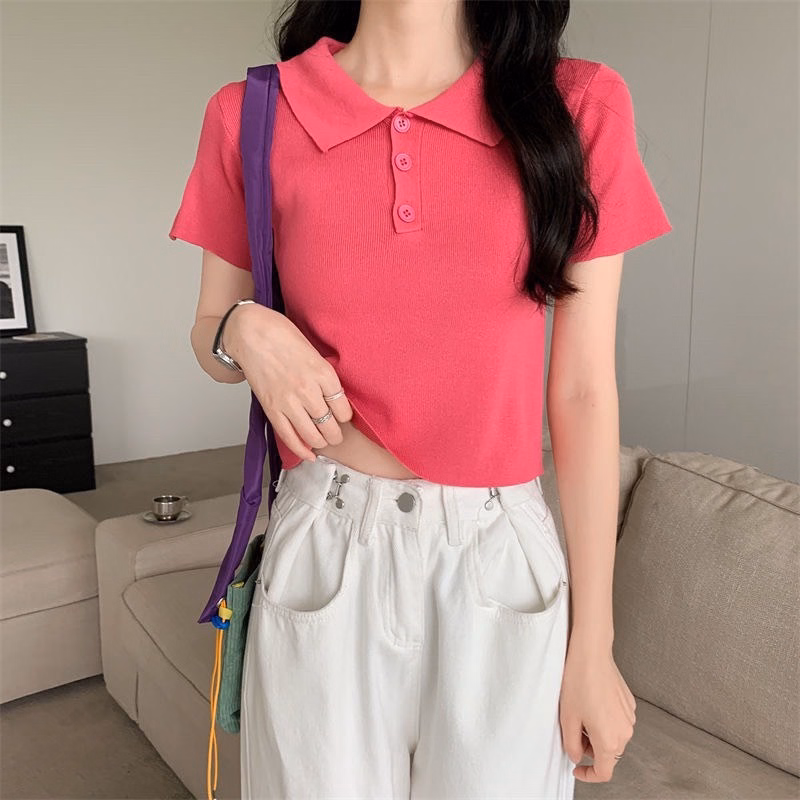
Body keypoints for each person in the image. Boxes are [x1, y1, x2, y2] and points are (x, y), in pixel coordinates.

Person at [169, 1, 672, 797]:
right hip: (322, 549)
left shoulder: (576, 105)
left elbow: (581, 391)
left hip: (502, 561)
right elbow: (210, 333)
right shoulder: (253, 112)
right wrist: (245, 328)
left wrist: (594, 643)